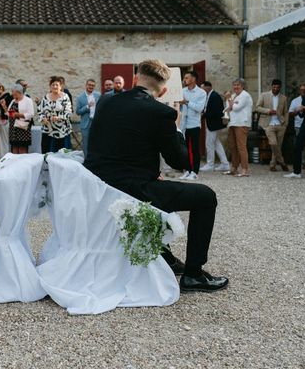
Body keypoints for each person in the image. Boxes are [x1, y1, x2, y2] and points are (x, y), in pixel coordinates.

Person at [84, 59, 228, 292]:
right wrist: (178, 126)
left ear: (134, 79)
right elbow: (181, 161)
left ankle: (166, 257)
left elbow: (121, 148)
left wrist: (150, 172)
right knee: (206, 197)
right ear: (162, 90)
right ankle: (194, 274)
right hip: (132, 190)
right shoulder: (161, 112)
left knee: (160, 185)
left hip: (99, 187)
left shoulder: (105, 103)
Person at [256, 79, 289, 172]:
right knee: (273, 143)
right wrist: (268, 111)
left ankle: (272, 165)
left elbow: (286, 111)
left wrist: (285, 123)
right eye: (274, 87)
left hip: (280, 124)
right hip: (268, 124)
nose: (275, 89)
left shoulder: (284, 98)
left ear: (280, 88)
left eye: (277, 87)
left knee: (278, 145)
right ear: (271, 86)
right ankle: (282, 162)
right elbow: (257, 107)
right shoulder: (264, 95)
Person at [179, 71, 206, 180]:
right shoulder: (182, 91)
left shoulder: (201, 93)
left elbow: (200, 108)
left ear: (193, 79)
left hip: (194, 124)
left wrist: (187, 102)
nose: (184, 79)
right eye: (184, 78)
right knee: (184, 149)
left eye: (186, 78)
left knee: (194, 149)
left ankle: (195, 172)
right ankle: (187, 170)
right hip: (183, 124)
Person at [223, 78, 253, 177]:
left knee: (241, 147)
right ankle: (234, 168)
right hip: (233, 123)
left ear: (242, 86)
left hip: (242, 123)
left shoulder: (245, 95)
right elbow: (227, 109)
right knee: (233, 147)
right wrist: (229, 101)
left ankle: (244, 170)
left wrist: (230, 101)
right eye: (234, 85)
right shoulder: (233, 96)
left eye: (238, 85)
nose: (235, 87)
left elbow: (236, 108)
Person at [37, 76, 72, 154]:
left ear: (61, 86)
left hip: (61, 130)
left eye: (57, 85)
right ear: (50, 86)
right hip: (48, 129)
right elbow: (40, 111)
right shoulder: (45, 97)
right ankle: (47, 165)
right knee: (46, 152)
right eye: (53, 84)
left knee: (61, 153)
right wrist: (43, 118)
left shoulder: (65, 97)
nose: (55, 86)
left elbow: (68, 111)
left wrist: (58, 117)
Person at [200, 81, 229, 172]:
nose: (201, 90)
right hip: (212, 123)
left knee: (209, 144)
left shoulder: (215, 96)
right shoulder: (210, 96)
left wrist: (203, 115)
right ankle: (225, 164)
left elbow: (215, 111)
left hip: (214, 124)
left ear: (208, 87)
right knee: (217, 144)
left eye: (202, 88)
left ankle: (210, 164)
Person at [288, 84, 305, 169]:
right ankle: (304, 163)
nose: (303, 92)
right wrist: (297, 111)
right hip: (298, 125)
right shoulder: (295, 101)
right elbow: (290, 113)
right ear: (299, 91)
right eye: (302, 90)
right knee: (302, 145)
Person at [75, 79, 100, 155]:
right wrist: (87, 107)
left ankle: (95, 158)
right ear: (86, 85)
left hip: (96, 122)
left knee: (96, 142)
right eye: (89, 85)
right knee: (86, 143)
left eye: (92, 85)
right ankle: (87, 160)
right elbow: (78, 112)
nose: (91, 87)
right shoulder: (80, 97)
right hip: (86, 124)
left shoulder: (98, 95)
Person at [8, 84, 34, 154]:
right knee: (14, 147)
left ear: (20, 92)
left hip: (22, 128)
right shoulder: (13, 101)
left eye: (15, 94)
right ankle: (15, 163)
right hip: (13, 128)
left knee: (22, 148)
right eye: (13, 94)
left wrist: (18, 115)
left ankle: (23, 164)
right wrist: (4, 106)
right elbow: (9, 113)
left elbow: (31, 114)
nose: (13, 96)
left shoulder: (28, 100)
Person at [0, 81, 13, 158]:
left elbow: (10, 111)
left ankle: (6, 156)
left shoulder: (8, 96)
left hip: (5, 120)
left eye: (0, 86)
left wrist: (4, 106)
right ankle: (1, 157)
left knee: (5, 140)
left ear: (2, 86)